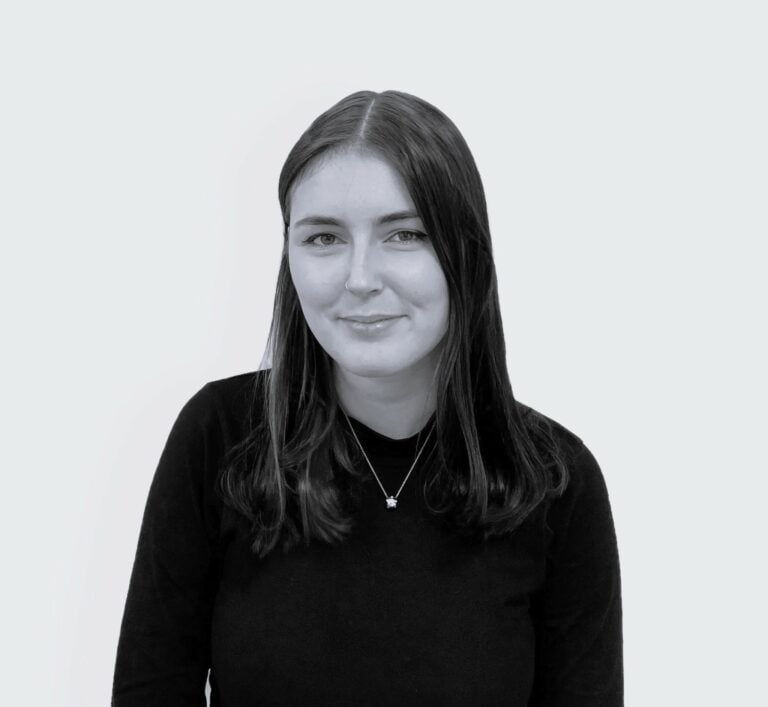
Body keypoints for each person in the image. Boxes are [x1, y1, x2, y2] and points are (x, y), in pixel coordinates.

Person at [112, 89, 623, 706]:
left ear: (465, 252)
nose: (359, 278)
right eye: (323, 238)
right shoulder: (220, 437)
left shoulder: (555, 482)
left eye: (404, 235)